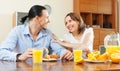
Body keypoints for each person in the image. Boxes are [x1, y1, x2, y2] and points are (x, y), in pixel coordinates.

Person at [0, 5, 73, 62]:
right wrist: (19, 56)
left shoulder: (48, 33)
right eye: (47, 18)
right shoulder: (17, 31)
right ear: (37, 18)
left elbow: (58, 50)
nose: (49, 21)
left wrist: (65, 53)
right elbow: (2, 52)